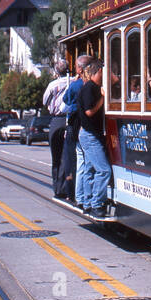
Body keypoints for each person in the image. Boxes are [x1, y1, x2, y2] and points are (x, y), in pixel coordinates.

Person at [75, 62, 110, 217]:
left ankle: (87, 202)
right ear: (99, 71)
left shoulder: (91, 87)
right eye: (103, 72)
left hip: (88, 134)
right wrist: (103, 99)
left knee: (89, 169)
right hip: (89, 136)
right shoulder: (89, 88)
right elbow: (89, 112)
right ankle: (96, 204)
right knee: (104, 170)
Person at [57, 56, 92, 202]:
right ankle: (84, 195)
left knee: (73, 160)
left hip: (74, 124)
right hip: (87, 124)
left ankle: (73, 194)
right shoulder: (91, 84)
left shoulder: (76, 85)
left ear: (79, 69)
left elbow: (64, 102)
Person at [42, 66, 72, 196]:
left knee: (56, 156)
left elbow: (45, 101)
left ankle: (57, 188)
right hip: (69, 119)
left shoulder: (52, 85)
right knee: (67, 156)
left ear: (56, 72)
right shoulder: (73, 82)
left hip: (56, 120)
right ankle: (66, 187)